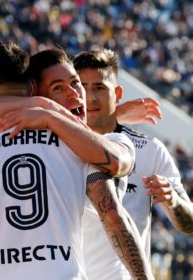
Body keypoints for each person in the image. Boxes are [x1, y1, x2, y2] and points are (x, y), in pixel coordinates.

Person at [0, 42, 153, 279]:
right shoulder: (79, 148)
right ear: (33, 89)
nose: (74, 93)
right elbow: (111, 212)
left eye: (75, 83)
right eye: (57, 88)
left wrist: (48, 114)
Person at [72, 48, 193, 280]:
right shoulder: (58, 146)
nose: (90, 97)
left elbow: (189, 224)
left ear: (117, 93)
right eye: (83, 88)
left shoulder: (149, 149)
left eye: (99, 87)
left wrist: (173, 200)